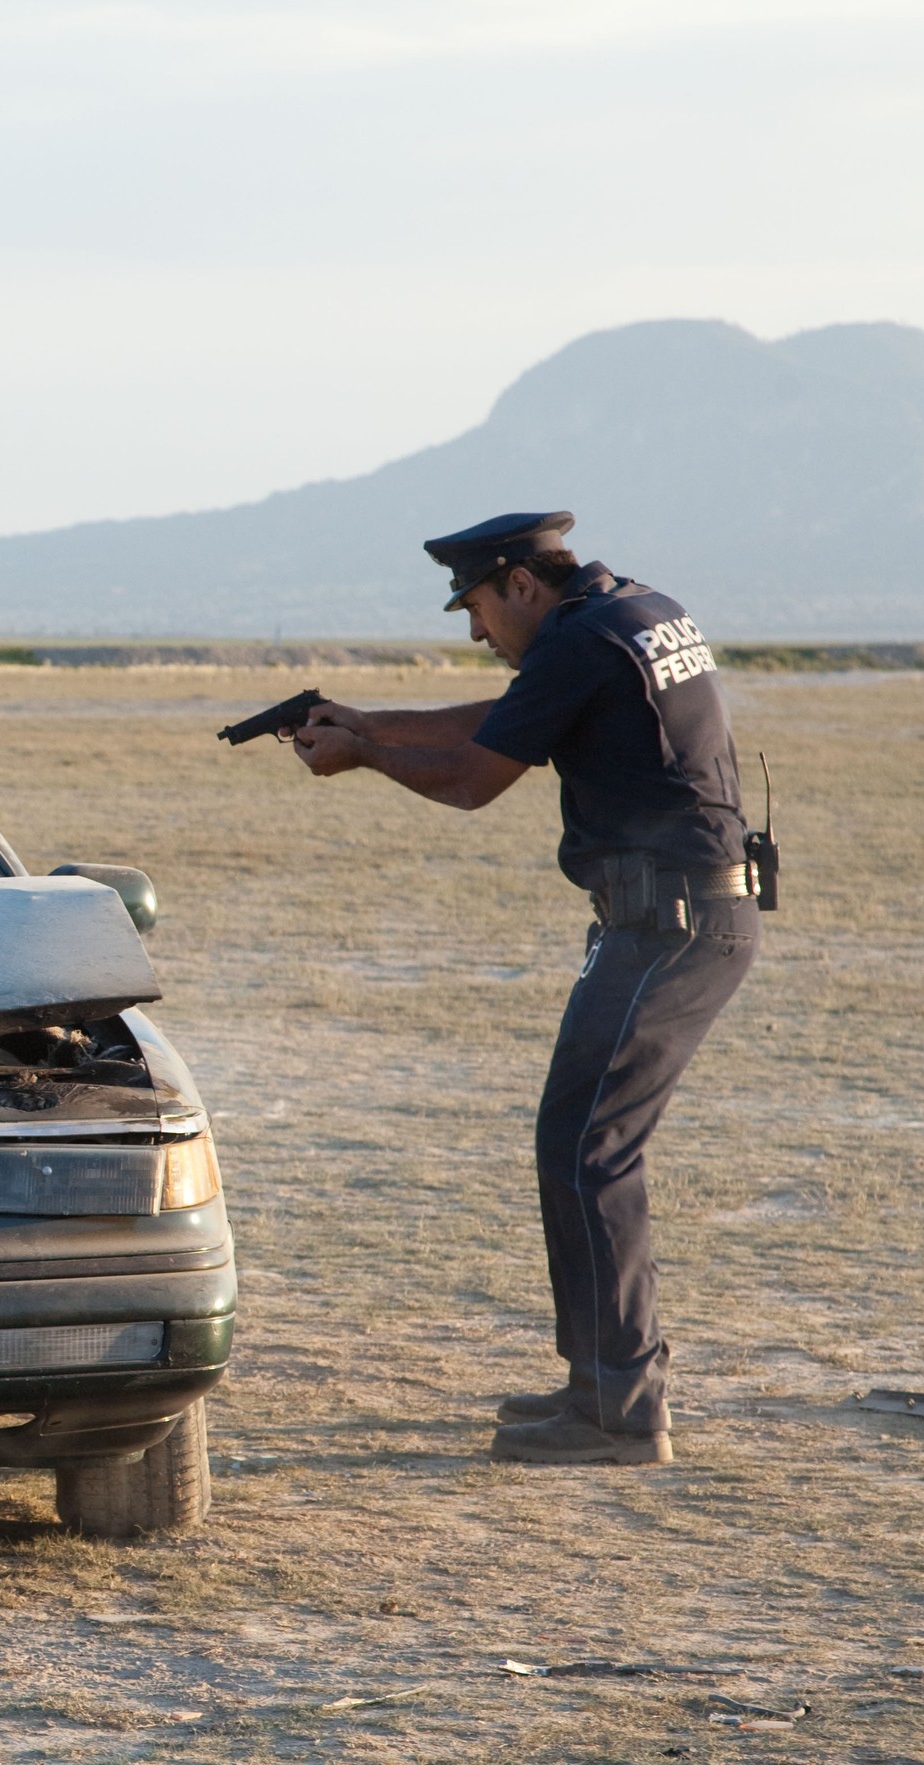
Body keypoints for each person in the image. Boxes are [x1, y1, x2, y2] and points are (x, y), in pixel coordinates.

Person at [286, 511, 759, 1467]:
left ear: (518, 584)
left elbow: (470, 777)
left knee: (590, 1148)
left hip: (669, 922)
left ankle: (622, 1411)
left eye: (474, 607)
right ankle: (599, 1389)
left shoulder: (582, 638)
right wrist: (370, 723)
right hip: (676, 915)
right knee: (579, 1143)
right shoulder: (628, 613)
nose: (472, 631)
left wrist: (365, 755)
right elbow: (499, 724)